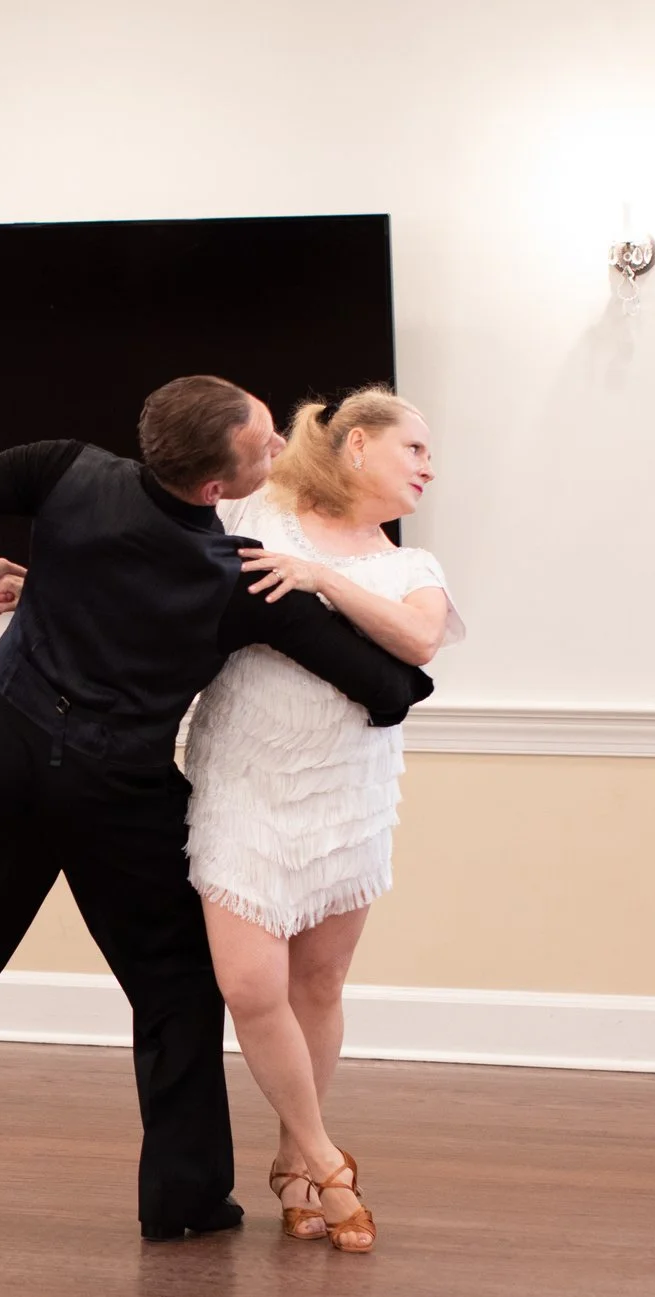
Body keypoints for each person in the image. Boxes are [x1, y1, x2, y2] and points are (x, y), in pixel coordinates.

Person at [0, 375, 434, 1240]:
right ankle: (184, 1200)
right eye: (266, 442)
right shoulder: (242, 579)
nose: (285, 446)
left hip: (5, 752)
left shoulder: (66, 469)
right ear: (215, 488)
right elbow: (393, 691)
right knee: (177, 985)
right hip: (117, 788)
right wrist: (331, 591)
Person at [184, 385, 463, 1252]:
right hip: (242, 779)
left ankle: (294, 1163)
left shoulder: (414, 568)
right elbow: (165, 562)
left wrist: (321, 578)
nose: (428, 467)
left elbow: (419, 643)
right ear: (357, 444)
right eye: (415, 447)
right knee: (248, 986)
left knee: (318, 986)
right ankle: (323, 1158)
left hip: (348, 795)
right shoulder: (256, 509)